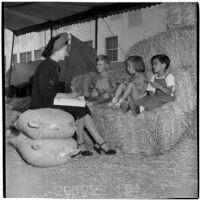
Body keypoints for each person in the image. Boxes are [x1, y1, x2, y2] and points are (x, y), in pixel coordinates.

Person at [30, 33, 116, 156]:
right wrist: (68, 97)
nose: (67, 53)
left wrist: (72, 93)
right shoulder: (45, 66)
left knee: (81, 103)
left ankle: (92, 142)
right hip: (41, 103)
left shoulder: (55, 66)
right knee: (80, 105)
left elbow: (55, 88)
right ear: (58, 50)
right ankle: (97, 143)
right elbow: (44, 92)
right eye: (66, 50)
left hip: (51, 100)